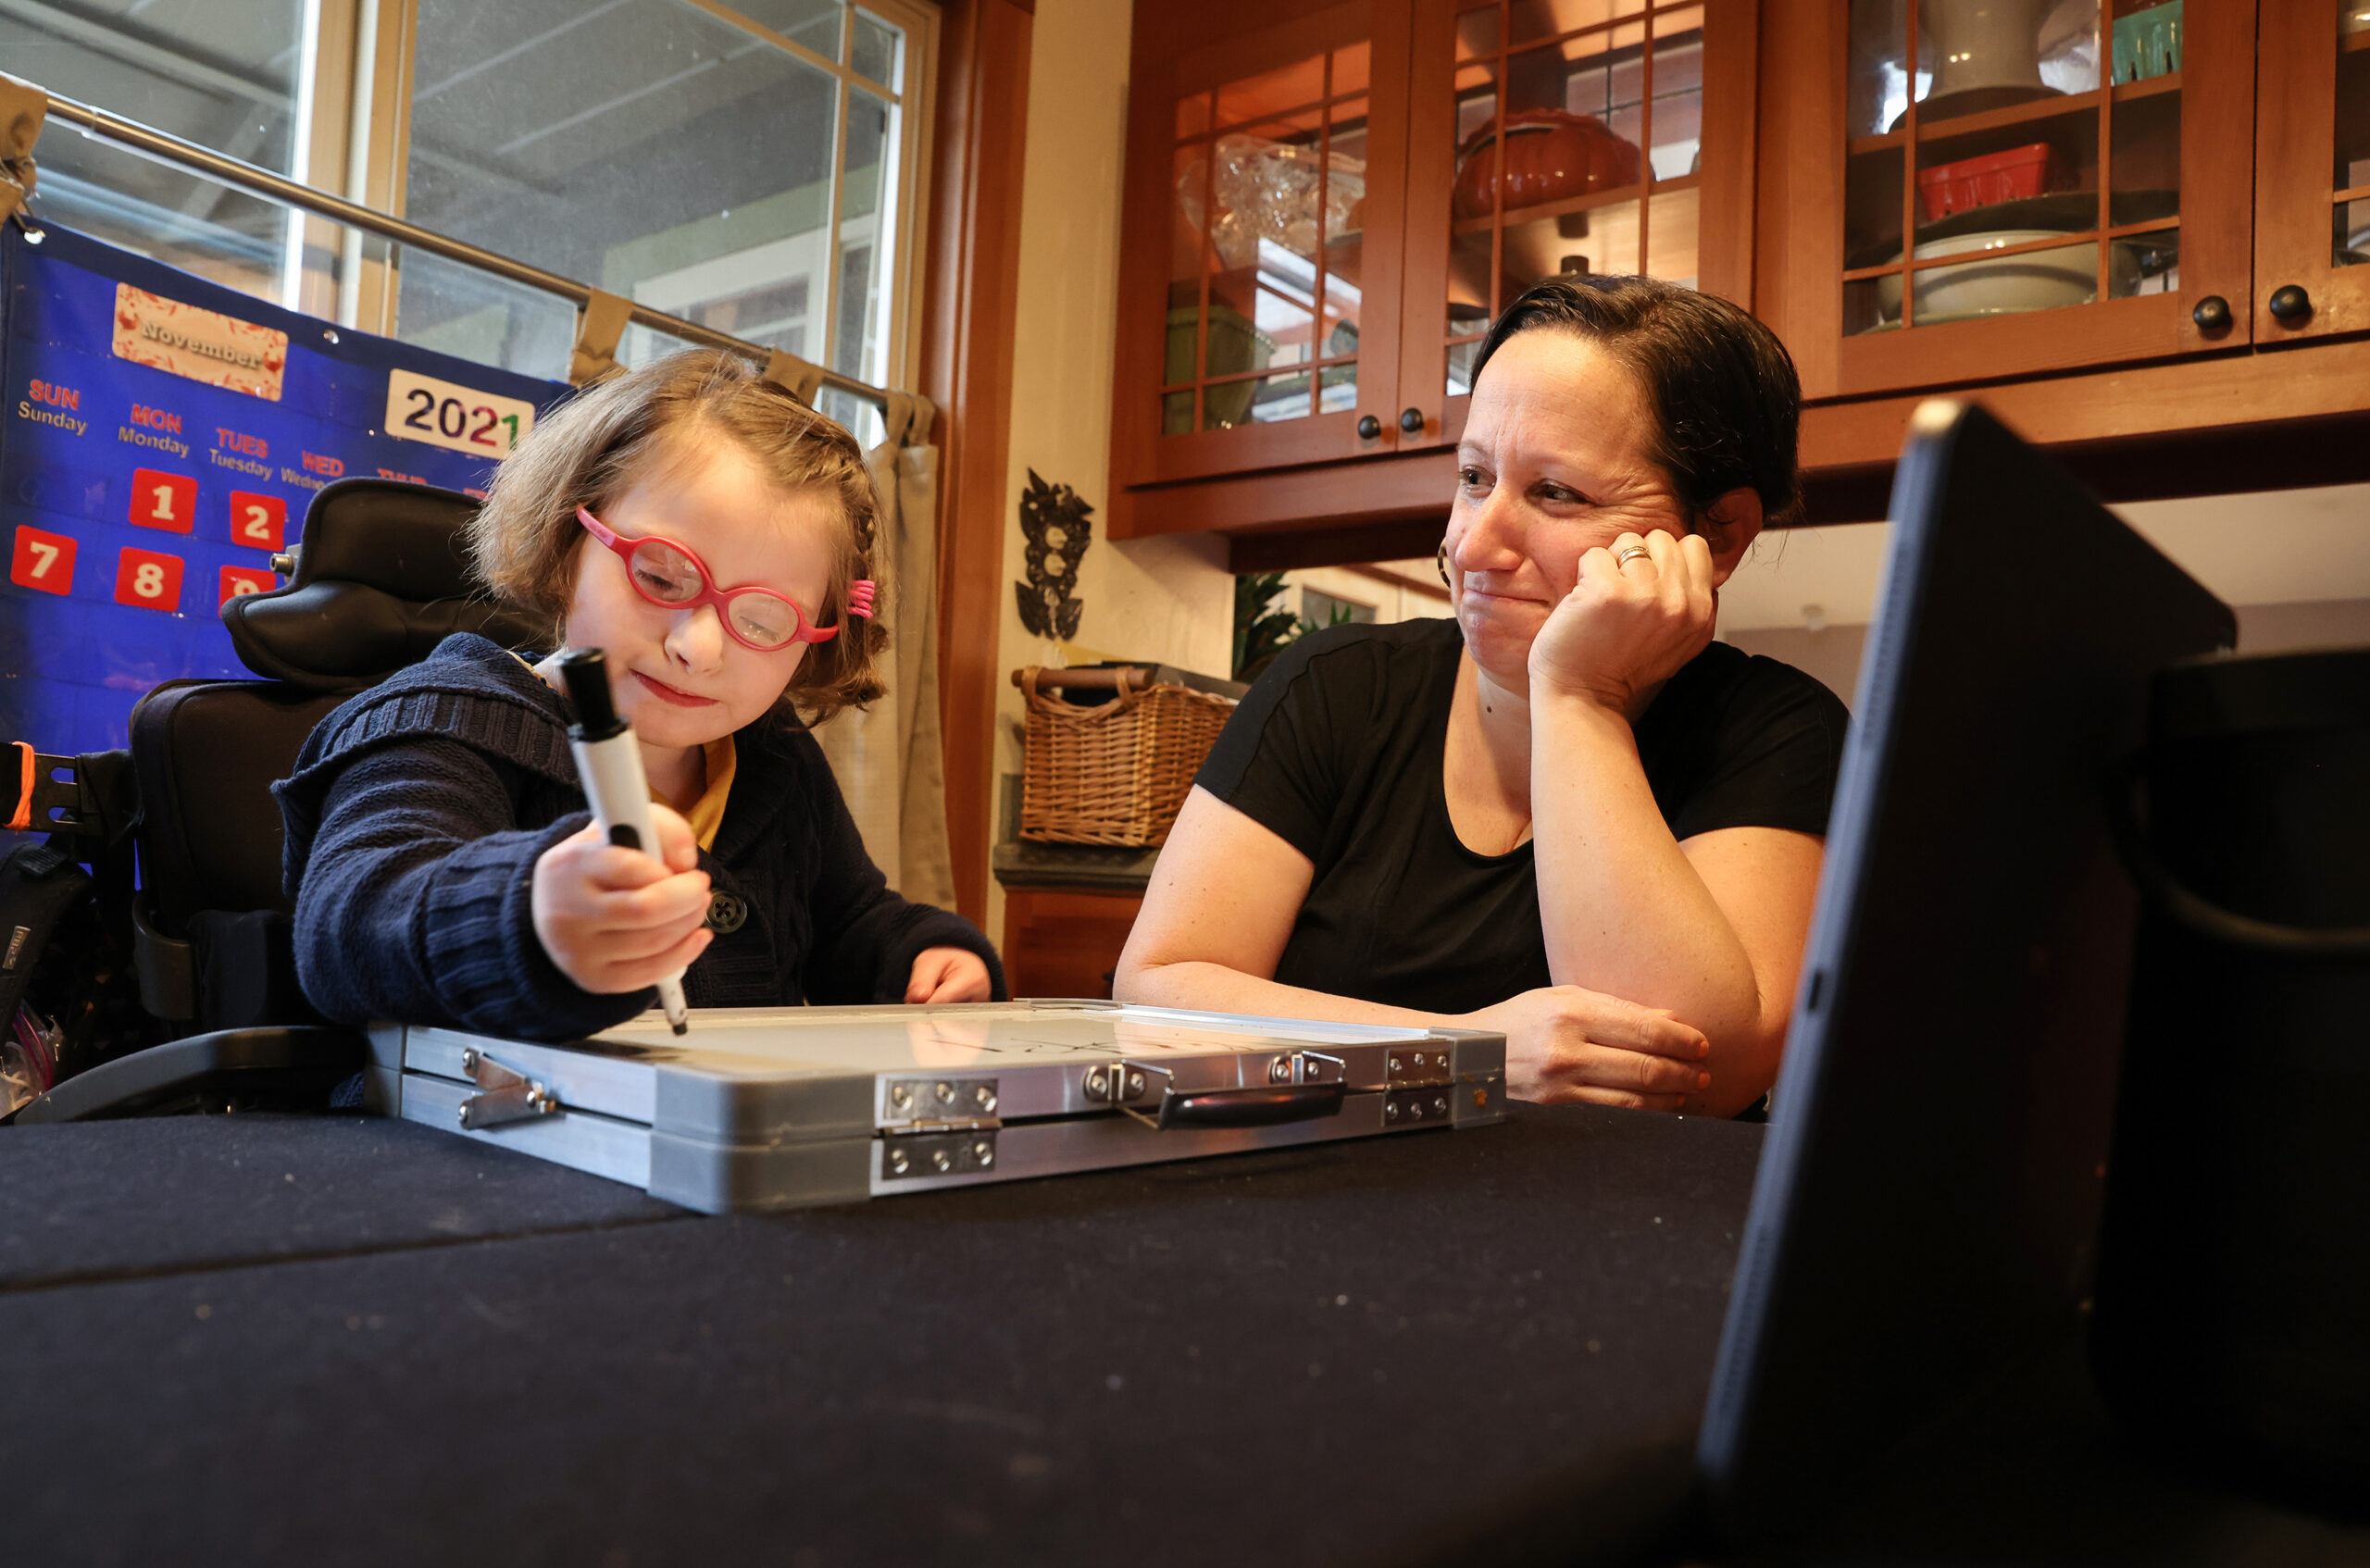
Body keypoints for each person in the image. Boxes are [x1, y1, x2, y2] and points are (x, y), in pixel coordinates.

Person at [1115, 277, 1846, 1116]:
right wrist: (1462, 1056)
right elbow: (1156, 989)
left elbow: (1691, 1075)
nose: (1473, 542)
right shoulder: (1335, 689)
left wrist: (1578, 697)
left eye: (1555, 493)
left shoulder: (1776, 731)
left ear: (1719, 534)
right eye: (1473, 476)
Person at [277, 350, 1002, 1041]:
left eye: (761, 620)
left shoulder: (777, 761)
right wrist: (527, 916)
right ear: (568, 544)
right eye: (660, 579)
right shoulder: (445, 719)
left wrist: (924, 960)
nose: (697, 646)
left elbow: (852, 924)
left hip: (723, 1153)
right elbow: (349, 923)